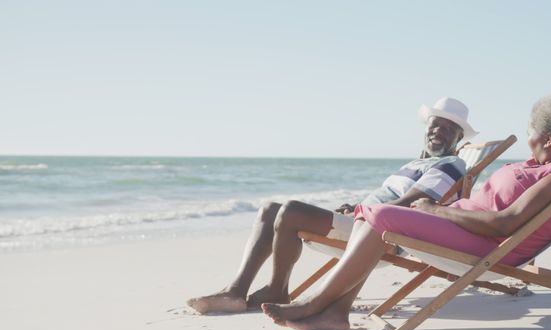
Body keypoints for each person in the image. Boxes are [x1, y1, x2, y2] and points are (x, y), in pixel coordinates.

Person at [261, 91, 551, 330]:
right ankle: (335, 312)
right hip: (465, 228)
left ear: (549, 139)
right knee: (375, 215)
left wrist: (437, 210)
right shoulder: (544, 167)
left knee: (381, 216)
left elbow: (503, 222)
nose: (529, 140)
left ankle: (316, 304)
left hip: (485, 245)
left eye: (531, 132)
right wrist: (442, 211)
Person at [187, 97, 478, 314]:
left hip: (382, 234)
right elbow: (390, 196)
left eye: (447, 128)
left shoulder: (451, 164)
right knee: (270, 210)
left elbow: (414, 200)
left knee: (290, 212)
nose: (437, 131)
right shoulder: (415, 163)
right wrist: (357, 206)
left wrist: (361, 212)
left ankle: (277, 289)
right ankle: (235, 291)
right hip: (366, 220)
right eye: (434, 125)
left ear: (459, 137)